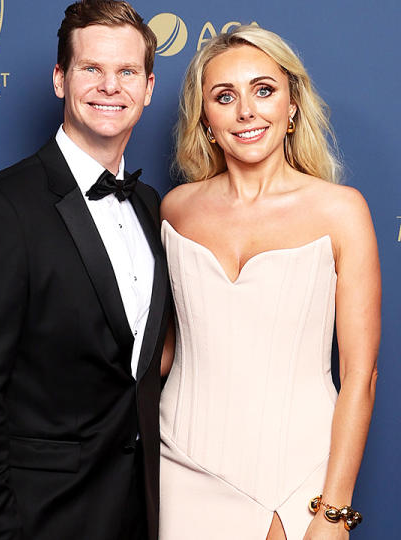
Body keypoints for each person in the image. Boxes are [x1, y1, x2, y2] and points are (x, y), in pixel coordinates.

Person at [0, 1, 170, 538]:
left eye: (127, 71)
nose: (110, 86)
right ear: (61, 79)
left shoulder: (153, 208)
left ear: (149, 86)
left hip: (142, 515)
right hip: (42, 521)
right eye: (92, 69)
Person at [159, 25, 379, 540]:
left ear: (292, 104)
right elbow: (163, 350)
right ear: (206, 119)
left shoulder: (341, 210)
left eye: (264, 90)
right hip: (181, 469)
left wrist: (333, 512)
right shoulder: (174, 211)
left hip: (300, 477)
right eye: (224, 96)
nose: (246, 112)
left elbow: (360, 374)